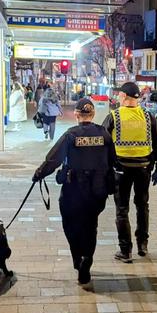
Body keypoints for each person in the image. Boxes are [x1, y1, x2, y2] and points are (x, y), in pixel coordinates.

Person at [33, 98, 116, 285]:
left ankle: (78, 258)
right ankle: (87, 259)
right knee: (91, 226)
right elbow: (113, 161)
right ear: (93, 114)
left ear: (76, 114)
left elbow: (53, 160)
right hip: (97, 190)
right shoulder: (104, 135)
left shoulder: (71, 135)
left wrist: (39, 174)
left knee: (70, 225)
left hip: (74, 190)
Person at [102, 81, 157, 263]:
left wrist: (104, 169)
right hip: (144, 169)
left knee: (122, 210)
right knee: (142, 205)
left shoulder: (114, 116)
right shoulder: (148, 116)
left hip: (120, 170)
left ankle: (125, 250)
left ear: (123, 96)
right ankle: (143, 244)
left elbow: (104, 144)